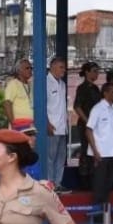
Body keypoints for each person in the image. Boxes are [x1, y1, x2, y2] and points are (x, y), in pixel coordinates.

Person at [85, 81, 113, 207]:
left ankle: (105, 214)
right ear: (105, 93)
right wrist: (95, 151)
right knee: (99, 185)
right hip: (100, 154)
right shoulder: (97, 109)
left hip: (111, 153)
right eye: (112, 92)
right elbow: (88, 130)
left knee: (108, 185)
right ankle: (98, 216)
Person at [73, 60, 101, 187]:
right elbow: (77, 107)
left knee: (94, 151)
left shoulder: (95, 88)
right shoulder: (82, 88)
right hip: (86, 125)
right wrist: (88, 121)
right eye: (94, 71)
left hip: (96, 126)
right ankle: (84, 180)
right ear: (87, 72)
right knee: (85, 151)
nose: (97, 74)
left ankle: (92, 177)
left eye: (97, 71)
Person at [45, 55, 69, 189]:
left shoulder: (63, 84)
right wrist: (46, 123)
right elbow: (41, 105)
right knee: (50, 157)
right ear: (52, 66)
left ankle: (58, 183)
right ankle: (50, 183)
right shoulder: (45, 82)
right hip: (51, 127)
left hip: (62, 127)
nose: (63, 70)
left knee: (61, 157)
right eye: (61, 67)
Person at [3, 58, 33, 123]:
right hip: (19, 127)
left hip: (32, 126)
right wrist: (13, 123)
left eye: (31, 68)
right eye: (27, 68)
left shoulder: (31, 84)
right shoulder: (13, 84)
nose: (30, 70)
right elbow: (7, 104)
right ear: (19, 71)